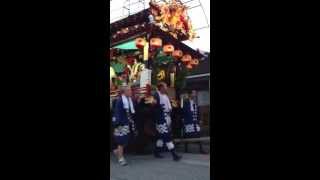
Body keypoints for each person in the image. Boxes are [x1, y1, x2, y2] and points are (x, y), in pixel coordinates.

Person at [152, 82, 182, 161]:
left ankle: (156, 152)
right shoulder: (156, 95)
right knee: (167, 136)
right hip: (160, 119)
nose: (166, 88)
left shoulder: (165, 95)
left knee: (161, 137)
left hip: (167, 117)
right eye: (165, 87)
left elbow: (170, 107)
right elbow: (154, 107)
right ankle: (174, 154)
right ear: (161, 88)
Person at [112, 85, 137, 166]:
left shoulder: (128, 99)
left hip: (127, 122)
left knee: (126, 140)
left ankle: (117, 151)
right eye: (129, 90)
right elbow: (117, 113)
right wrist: (118, 124)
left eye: (130, 90)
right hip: (121, 123)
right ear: (124, 92)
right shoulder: (120, 100)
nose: (131, 92)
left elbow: (131, 110)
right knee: (121, 141)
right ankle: (120, 158)